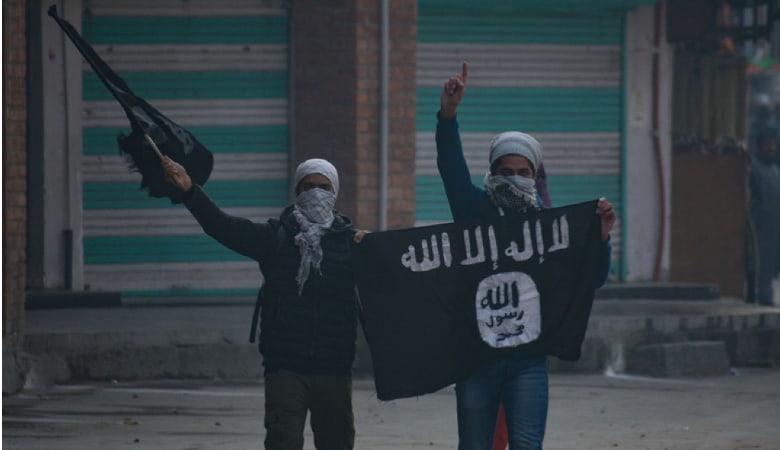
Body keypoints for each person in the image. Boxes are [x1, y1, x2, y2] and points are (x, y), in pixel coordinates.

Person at [437, 61, 615, 450]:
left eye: (523, 170)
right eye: (506, 169)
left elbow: (593, 278)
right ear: (493, 171)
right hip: (475, 360)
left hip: (529, 363)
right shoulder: (474, 210)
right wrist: (448, 115)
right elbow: (451, 169)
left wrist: (600, 240)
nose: (515, 176)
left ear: (534, 176)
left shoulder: (548, 227)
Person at [162, 156, 364, 450]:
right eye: (309, 186)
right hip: (285, 368)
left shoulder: (351, 244)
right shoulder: (275, 238)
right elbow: (222, 226)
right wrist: (190, 190)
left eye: (324, 187)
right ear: (298, 191)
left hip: (334, 370)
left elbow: (397, 272)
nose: (317, 193)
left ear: (335, 194)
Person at [748, 132, 780, 306]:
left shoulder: (774, 170)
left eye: (773, 145)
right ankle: (756, 295)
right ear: (759, 146)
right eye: (767, 145)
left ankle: (766, 295)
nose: (771, 149)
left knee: (770, 265)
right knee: (757, 264)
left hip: (773, 227)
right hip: (757, 228)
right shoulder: (753, 168)